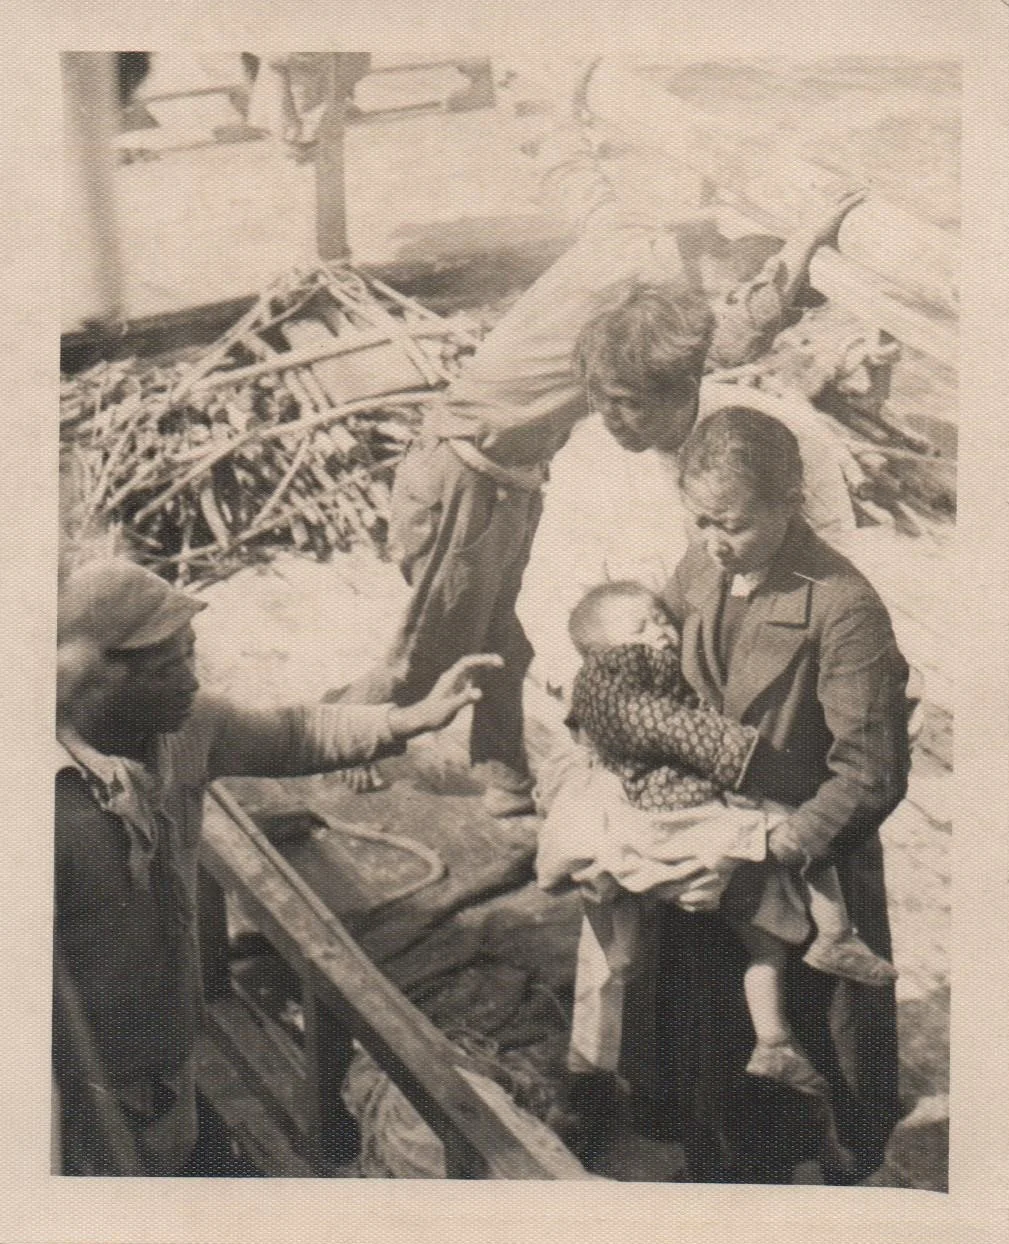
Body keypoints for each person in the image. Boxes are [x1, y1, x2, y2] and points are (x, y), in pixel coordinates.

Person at [333, 74, 864, 816]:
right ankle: (345, 732)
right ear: (721, 266)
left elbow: (569, 172)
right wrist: (802, 246)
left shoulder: (620, 230)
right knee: (426, 651)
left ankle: (502, 776)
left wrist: (558, 96)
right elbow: (730, 338)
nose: (722, 303)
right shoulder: (650, 313)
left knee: (498, 641)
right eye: (732, 287)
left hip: (504, 474)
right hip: (461, 470)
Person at [52, 557, 502, 1175]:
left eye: (191, 654)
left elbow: (292, 732)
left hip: (165, 1042)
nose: (191, 679)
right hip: (77, 1082)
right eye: (167, 667)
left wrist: (403, 722)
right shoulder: (47, 810)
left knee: (172, 1149)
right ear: (91, 681)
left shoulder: (185, 728)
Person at [614, 406, 909, 1183]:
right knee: (710, 1058)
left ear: (788, 502)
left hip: (808, 867)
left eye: (733, 524)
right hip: (715, 854)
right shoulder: (700, 566)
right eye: (700, 519)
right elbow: (663, 670)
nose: (714, 540)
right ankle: (721, 1170)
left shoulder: (843, 609)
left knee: (814, 1072)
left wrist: (766, 849)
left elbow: (870, 773)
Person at [537, 579, 897, 1162]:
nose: (662, 631)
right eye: (643, 627)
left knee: (757, 946)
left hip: (670, 819)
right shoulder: (623, 677)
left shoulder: (628, 666)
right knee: (784, 842)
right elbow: (667, 725)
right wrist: (733, 747)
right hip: (682, 815)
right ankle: (828, 946)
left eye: (660, 620)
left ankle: (772, 1044)